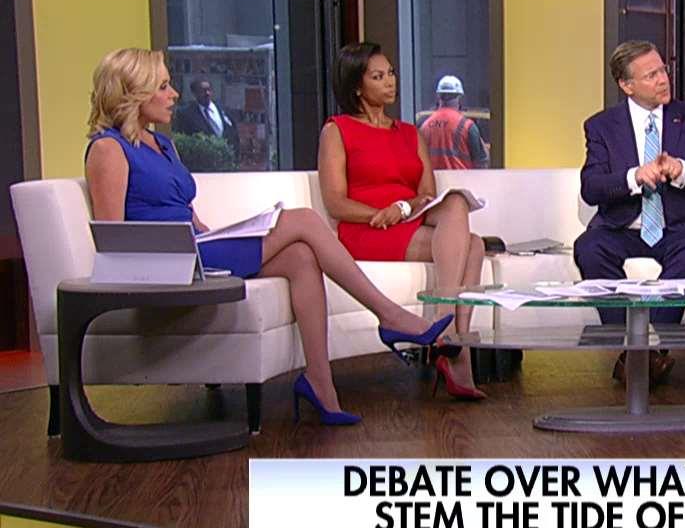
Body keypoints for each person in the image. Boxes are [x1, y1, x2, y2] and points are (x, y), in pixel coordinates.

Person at [83, 48, 453, 427]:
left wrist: (222, 235)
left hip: (196, 249)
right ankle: (389, 314)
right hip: (169, 263)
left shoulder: (162, 144)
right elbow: (116, 240)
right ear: (135, 93)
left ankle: (319, 382)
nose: (174, 94)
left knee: (302, 257)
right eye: (163, 86)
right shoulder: (108, 149)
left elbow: (187, 214)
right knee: (304, 220)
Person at [318, 42, 487, 400]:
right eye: (378, 76)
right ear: (357, 86)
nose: (390, 82)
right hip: (366, 230)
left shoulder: (411, 133)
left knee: (458, 207)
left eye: (391, 73)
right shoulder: (337, 130)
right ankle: (454, 350)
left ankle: (445, 333)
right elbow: (335, 202)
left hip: (407, 220)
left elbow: (427, 194)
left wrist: (403, 208)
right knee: (473, 246)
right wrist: (381, 213)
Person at [573, 40, 685, 385]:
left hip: (676, 228)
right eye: (651, 75)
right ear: (626, 85)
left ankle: (641, 354)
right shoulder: (601, 126)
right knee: (589, 248)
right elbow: (591, 188)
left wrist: (681, 170)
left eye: (663, 70)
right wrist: (634, 177)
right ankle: (639, 350)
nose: (663, 79)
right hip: (621, 227)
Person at [419, 75, 489, 169]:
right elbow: (481, 163)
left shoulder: (424, 126)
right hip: (460, 178)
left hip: (433, 178)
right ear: (460, 97)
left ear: (438, 96)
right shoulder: (467, 126)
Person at [171, 78, 240, 156]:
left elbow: (234, 133)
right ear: (194, 93)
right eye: (202, 91)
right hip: (203, 158)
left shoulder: (223, 109)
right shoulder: (186, 114)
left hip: (228, 158)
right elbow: (182, 138)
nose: (207, 93)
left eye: (209, 90)